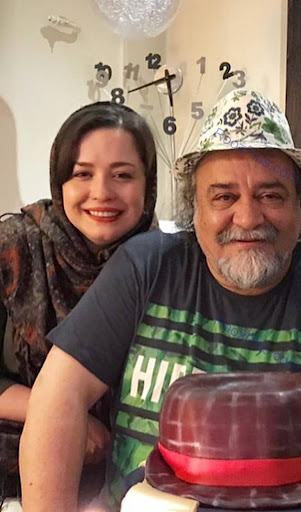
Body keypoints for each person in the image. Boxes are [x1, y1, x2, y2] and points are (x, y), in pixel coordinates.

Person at [20, 90, 301, 512]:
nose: (247, 218)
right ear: (195, 210)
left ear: (300, 206)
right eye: (224, 197)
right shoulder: (145, 267)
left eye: (271, 195)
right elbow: (60, 395)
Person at [0, 101, 157, 500]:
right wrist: (64, 416)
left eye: (122, 175)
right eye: (82, 174)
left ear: (148, 185)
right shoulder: (14, 246)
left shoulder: (166, 264)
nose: (101, 193)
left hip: (136, 480)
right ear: (60, 182)